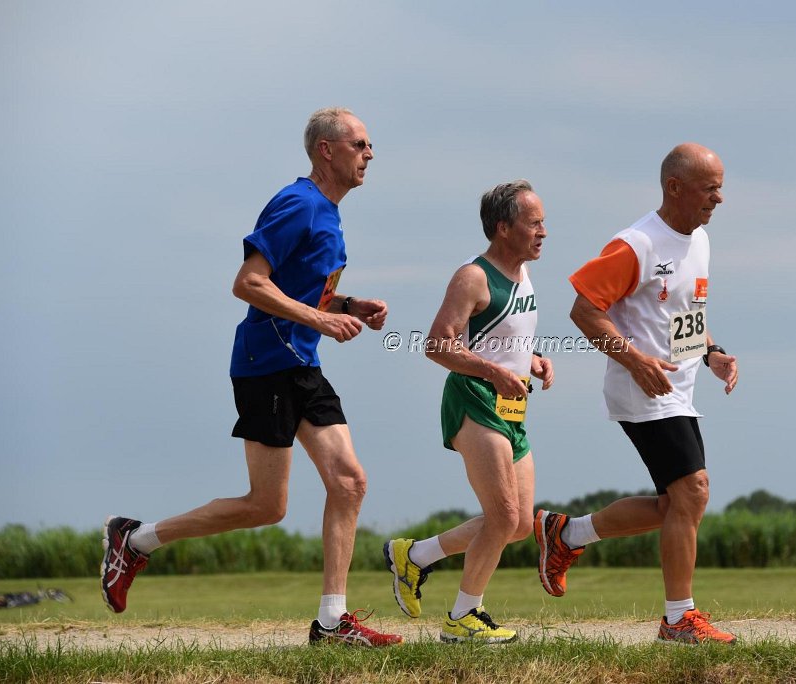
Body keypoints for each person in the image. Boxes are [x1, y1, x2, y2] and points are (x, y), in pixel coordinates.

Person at [100, 107, 403, 647]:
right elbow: (249, 283)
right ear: (326, 150)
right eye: (359, 144)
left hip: (302, 364)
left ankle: (332, 622)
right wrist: (322, 321)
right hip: (266, 365)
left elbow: (302, 289)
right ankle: (136, 540)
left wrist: (347, 304)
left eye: (369, 145)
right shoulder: (298, 204)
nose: (370, 154)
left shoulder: (328, 213)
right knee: (267, 506)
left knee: (349, 482)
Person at [534, 143, 739, 645]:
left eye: (720, 188)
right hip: (642, 388)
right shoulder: (636, 244)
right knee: (693, 491)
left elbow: (683, 316)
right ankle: (678, 619)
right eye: (710, 189)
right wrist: (635, 361)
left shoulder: (700, 240)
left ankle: (566, 533)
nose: (719, 198)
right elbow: (584, 310)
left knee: (677, 505)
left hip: (679, 389)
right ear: (675, 187)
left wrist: (712, 352)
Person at [383, 180, 552, 643]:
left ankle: (415, 556)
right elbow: (438, 345)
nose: (543, 232)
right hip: (473, 398)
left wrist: (531, 361)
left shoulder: (523, 273)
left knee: (518, 524)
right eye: (534, 223)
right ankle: (463, 617)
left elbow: (503, 338)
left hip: (512, 406)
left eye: (543, 223)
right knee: (502, 516)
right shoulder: (473, 277)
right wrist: (495, 371)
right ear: (503, 228)